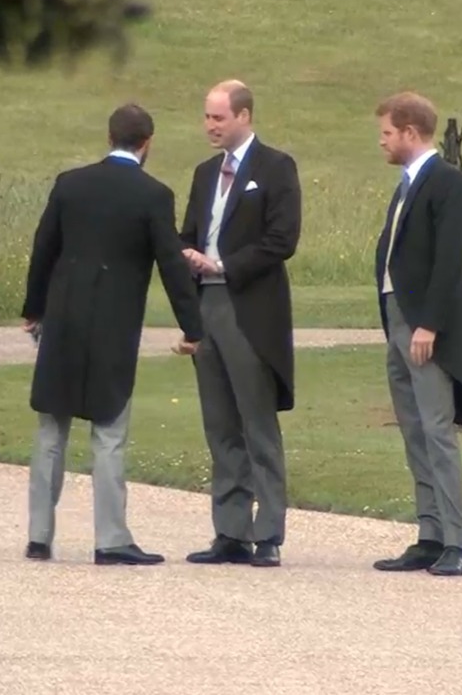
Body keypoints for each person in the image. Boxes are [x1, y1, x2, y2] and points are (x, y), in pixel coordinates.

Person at [21, 103, 203, 566]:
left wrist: (33, 308)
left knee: (51, 427)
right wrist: (192, 325)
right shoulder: (153, 195)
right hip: (114, 321)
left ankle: (39, 535)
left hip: (63, 315)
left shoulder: (71, 183)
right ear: (147, 143)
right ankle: (110, 538)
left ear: (110, 136)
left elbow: (44, 248)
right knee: (108, 430)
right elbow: (170, 262)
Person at [177, 79, 301, 568]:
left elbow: (281, 239)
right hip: (205, 305)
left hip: (249, 305)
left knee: (257, 422)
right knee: (220, 422)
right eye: (207, 117)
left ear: (244, 116)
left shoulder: (275, 167)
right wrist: (184, 256)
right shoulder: (205, 173)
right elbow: (189, 231)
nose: (210, 126)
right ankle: (229, 530)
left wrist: (224, 265)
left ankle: (267, 531)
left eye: (219, 118)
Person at [372, 91, 462, 577]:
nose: (382, 142)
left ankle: (455, 541)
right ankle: (429, 532)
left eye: (386, 133)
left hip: (424, 325)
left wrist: (429, 324)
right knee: (414, 429)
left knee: (437, 430)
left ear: (410, 133)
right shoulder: (406, 184)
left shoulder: (447, 183)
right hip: (397, 318)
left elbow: (448, 261)